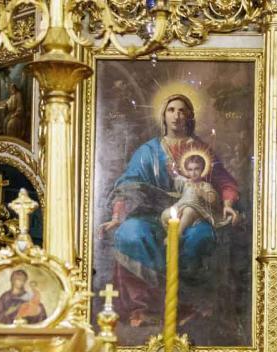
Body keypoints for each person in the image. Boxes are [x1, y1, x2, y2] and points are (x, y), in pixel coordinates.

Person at [101, 94, 241, 327]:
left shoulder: (201, 149)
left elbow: (225, 181)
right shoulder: (148, 151)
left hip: (194, 214)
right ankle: (146, 306)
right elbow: (128, 185)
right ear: (163, 116)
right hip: (152, 215)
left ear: (189, 116)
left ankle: (187, 304)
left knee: (200, 238)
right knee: (130, 233)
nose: (177, 115)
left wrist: (227, 206)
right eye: (171, 110)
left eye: (182, 110)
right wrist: (117, 217)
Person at [161, 152, 223, 235]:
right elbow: (176, 176)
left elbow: (212, 199)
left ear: (202, 169)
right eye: (190, 169)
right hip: (182, 206)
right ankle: (170, 234)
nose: (193, 173)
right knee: (165, 214)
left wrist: (203, 193)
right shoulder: (186, 182)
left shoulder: (204, 185)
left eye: (196, 169)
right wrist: (172, 169)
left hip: (196, 209)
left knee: (188, 211)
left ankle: (178, 234)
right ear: (187, 171)